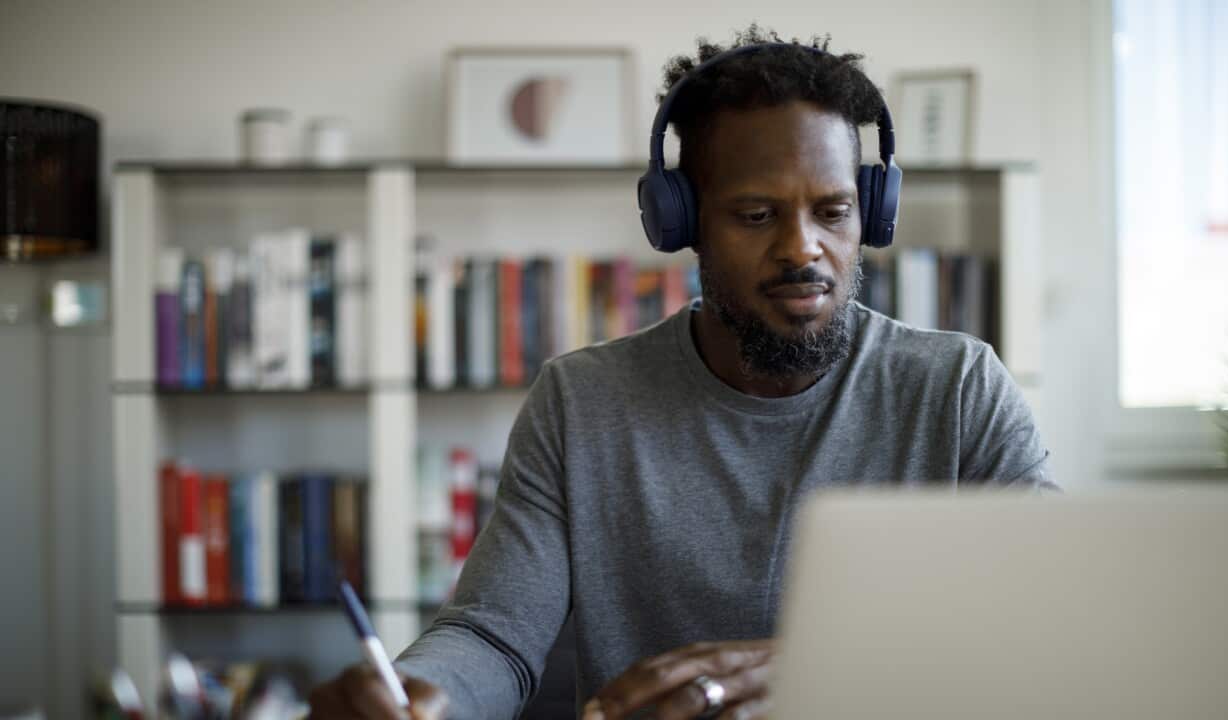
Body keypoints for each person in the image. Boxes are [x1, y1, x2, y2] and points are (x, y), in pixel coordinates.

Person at [309, 24, 1053, 720]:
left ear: (873, 215)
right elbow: (494, 635)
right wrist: (422, 698)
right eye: (757, 215)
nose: (804, 249)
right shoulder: (581, 403)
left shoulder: (958, 389)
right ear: (682, 223)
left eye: (833, 211)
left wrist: (811, 668)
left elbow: (1047, 617)